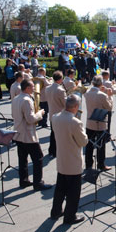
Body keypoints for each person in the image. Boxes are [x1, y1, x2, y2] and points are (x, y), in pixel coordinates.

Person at [50, 95, 88, 224]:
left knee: (60, 188)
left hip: (61, 158)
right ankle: (70, 216)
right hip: (73, 160)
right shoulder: (75, 122)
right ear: (76, 107)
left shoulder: (55, 117)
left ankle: (56, 211)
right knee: (73, 191)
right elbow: (83, 142)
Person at [12, 79, 51, 190]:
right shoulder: (26, 100)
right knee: (38, 158)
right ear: (27, 88)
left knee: (22, 158)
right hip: (27, 134)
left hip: (18, 133)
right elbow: (30, 119)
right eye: (32, 87)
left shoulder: (16, 98)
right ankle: (38, 183)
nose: (34, 88)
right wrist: (40, 113)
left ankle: (23, 181)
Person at [84, 75, 113, 171]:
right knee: (101, 145)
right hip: (100, 123)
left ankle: (88, 164)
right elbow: (109, 108)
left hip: (89, 122)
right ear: (101, 84)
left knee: (89, 145)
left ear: (92, 83)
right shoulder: (102, 95)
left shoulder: (87, 93)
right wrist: (109, 95)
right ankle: (101, 164)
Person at [45, 71, 66, 157]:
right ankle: (57, 151)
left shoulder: (48, 88)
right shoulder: (60, 90)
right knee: (59, 135)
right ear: (60, 79)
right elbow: (65, 103)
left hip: (52, 113)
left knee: (53, 133)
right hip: (60, 114)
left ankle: (51, 150)